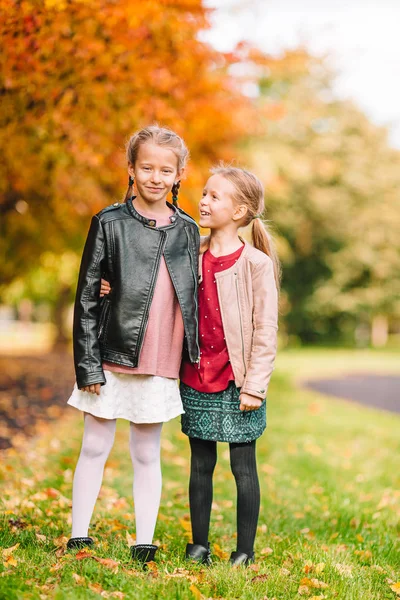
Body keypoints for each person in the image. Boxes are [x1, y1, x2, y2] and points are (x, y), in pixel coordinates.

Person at [66, 125, 200, 566]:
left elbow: (194, 291)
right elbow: (87, 297)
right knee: (94, 446)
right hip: (111, 354)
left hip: (161, 359)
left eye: (166, 170)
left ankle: (145, 539)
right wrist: (87, 365)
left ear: (179, 174)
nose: (156, 177)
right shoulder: (109, 222)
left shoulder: (188, 230)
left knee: (147, 451)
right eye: (147, 167)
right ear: (131, 169)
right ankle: (79, 534)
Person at [179, 165, 279, 567]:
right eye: (203, 193)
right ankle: (199, 545)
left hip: (238, 381)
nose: (203, 201)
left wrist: (255, 385)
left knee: (243, 466)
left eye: (214, 196)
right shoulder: (191, 254)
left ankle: (244, 552)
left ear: (239, 211)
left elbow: (265, 329)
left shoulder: (255, 263)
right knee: (200, 463)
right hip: (196, 375)